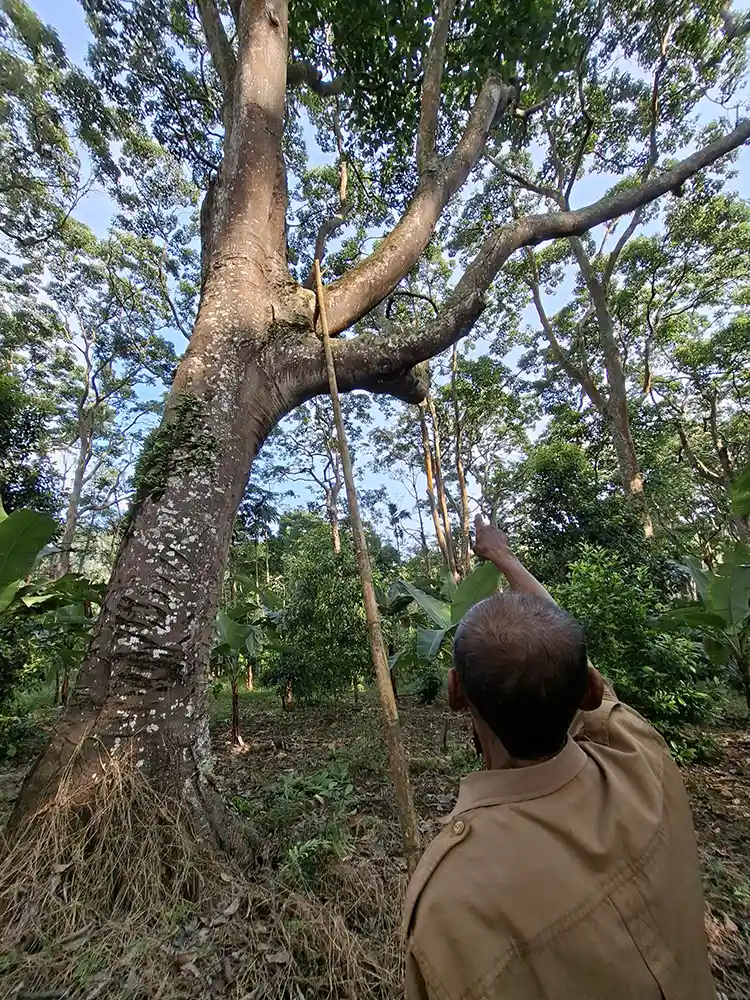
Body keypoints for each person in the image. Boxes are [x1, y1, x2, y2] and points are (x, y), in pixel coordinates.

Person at [403, 515, 715, 1000]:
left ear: (455, 692)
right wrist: (503, 557)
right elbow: (568, 660)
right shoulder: (637, 754)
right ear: (587, 691)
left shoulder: (454, 899)